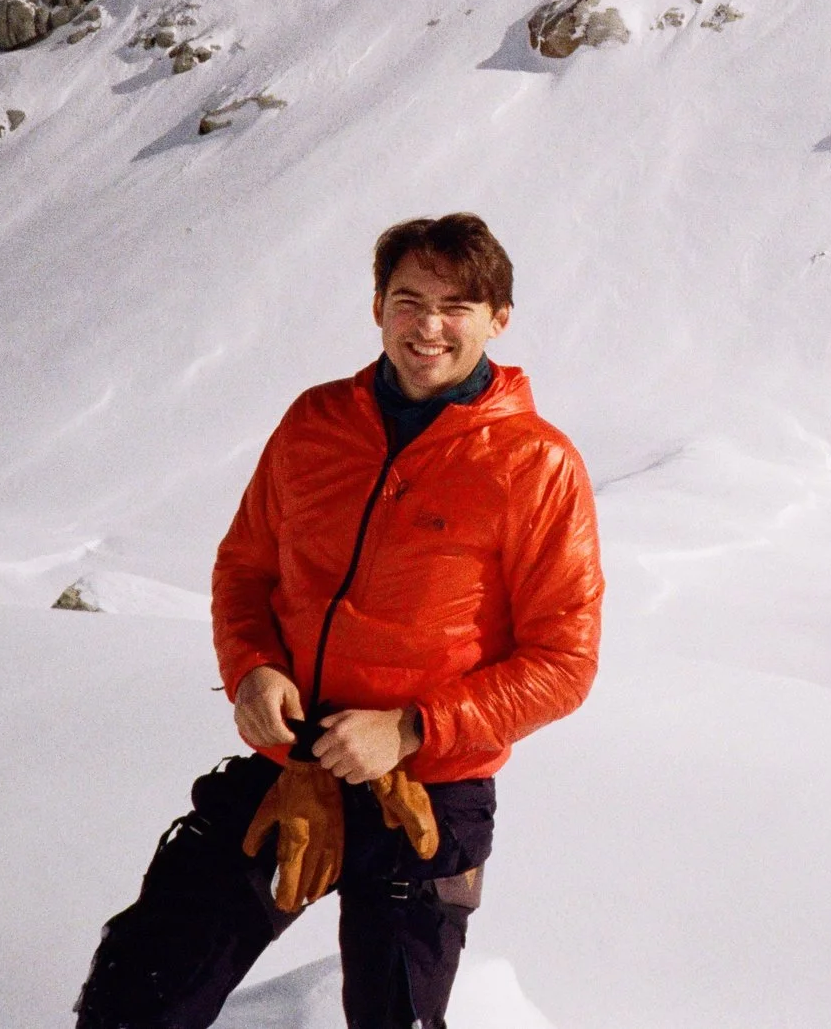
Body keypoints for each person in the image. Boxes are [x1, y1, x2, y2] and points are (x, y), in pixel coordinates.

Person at [75, 214, 603, 1029]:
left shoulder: (537, 464)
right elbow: (245, 569)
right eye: (408, 300)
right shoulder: (317, 423)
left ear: (499, 319)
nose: (429, 326)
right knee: (136, 995)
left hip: (424, 790)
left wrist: (412, 728)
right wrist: (251, 667)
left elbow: (564, 661)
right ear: (377, 308)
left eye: (457, 305)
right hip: (291, 763)